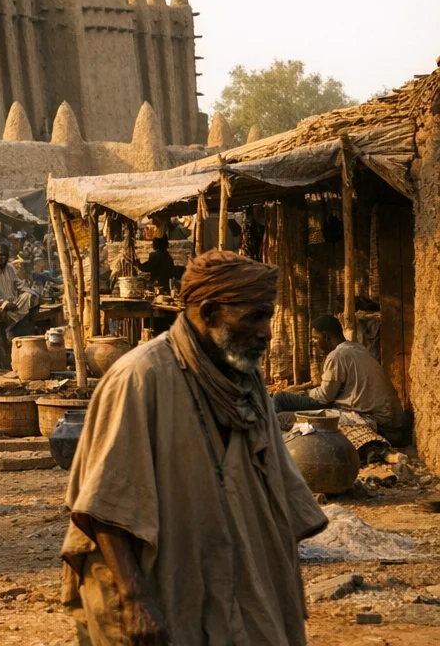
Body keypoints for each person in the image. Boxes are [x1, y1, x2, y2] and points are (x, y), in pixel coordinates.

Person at [61, 250, 327, 646]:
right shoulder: (140, 377)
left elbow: (276, 494)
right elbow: (104, 505)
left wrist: (282, 582)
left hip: (235, 577)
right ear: (211, 312)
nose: (267, 332)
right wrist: (135, 599)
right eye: (253, 316)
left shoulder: (245, 381)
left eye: (268, 316)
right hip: (155, 582)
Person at [273, 314, 405, 438]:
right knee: (280, 398)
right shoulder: (357, 348)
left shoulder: (337, 355)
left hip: (375, 421)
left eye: (315, 338)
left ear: (325, 337)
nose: (313, 343)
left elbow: (325, 397)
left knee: (280, 418)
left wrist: (308, 393)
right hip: (390, 419)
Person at [0, 242, 40, 335]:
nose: (4, 258)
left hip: (11, 302)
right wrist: (4, 304)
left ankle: (25, 327)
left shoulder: (10, 268)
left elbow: (19, 284)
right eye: (1, 255)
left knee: (31, 297)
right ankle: (13, 329)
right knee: (11, 311)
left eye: (6, 255)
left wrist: (34, 293)